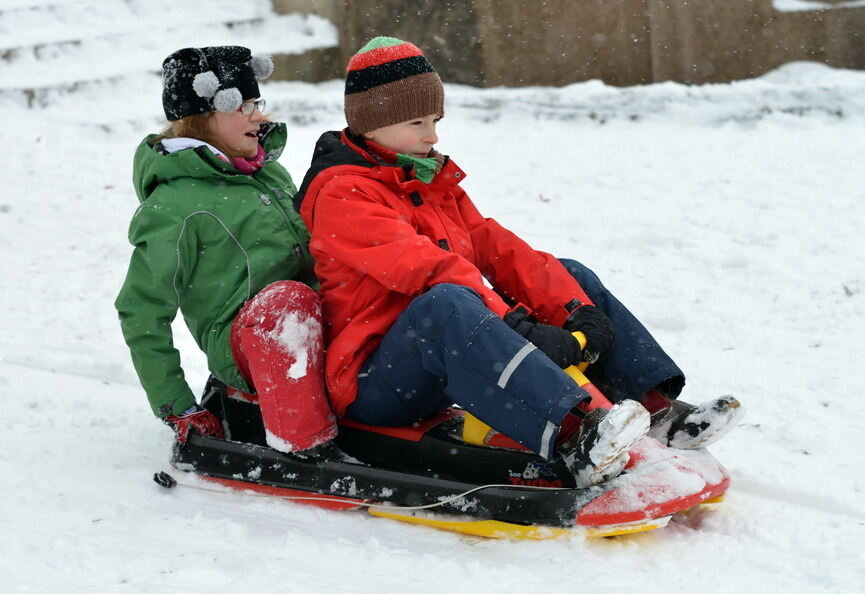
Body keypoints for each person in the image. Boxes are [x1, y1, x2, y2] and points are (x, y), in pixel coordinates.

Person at [294, 37, 744, 486]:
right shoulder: (343, 194)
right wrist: (516, 325)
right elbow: (429, 268)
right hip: (376, 381)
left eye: (435, 120)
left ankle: (655, 410)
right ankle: (574, 436)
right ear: (373, 124)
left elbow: (498, 249)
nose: (433, 135)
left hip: (442, 356)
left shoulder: (425, 176)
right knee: (446, 304)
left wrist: (576, 310)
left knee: (568, 273)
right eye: (418, 121)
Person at [115, 46, 337, 455]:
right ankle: (303, 442)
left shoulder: (268, 171)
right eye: (241, 106)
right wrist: (176, 407)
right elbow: (142, 309)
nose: (257, 115)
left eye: (256, 102)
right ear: (199, 120)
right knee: (286, 303)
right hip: (250, 339)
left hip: (310, 326)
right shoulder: (176, 204)